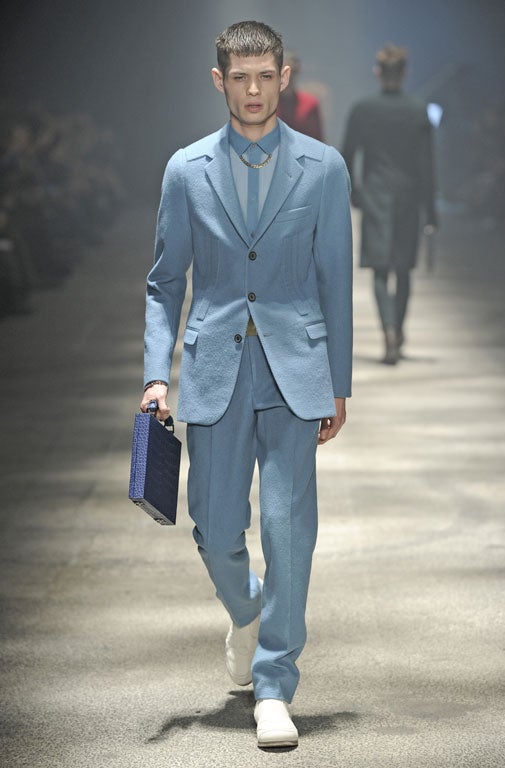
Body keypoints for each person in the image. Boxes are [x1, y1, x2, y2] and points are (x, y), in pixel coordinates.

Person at [140, 20, 352, 749]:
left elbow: (334, 279)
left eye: (266, 76)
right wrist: (156, 374)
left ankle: (273, 685)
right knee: (214, 523)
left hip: (296, 369)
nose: (254, 90)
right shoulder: (185, 169)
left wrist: (339, 382)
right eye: (241, 77)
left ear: (283, 76)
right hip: (214, 369)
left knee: (290, 532)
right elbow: (165, 283)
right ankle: (248, 608)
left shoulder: (323, 168)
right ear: (219, 80)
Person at [342, 44, 437, 364]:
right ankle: (398, 328)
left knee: (380, 269)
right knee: (404, 268)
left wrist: (354, 192)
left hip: (376, 195)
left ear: (377, 72)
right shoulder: (418, 110)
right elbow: (427, 164)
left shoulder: (363, 109)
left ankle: (389, 332)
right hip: (409, 197)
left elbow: (347, 153)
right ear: (405, 73)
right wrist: (431, 209)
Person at [277, 50, 324, 140]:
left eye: (292, 72)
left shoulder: (310, 104)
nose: (288, 77)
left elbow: (317, 140)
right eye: (283, 72)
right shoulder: (266, 104)